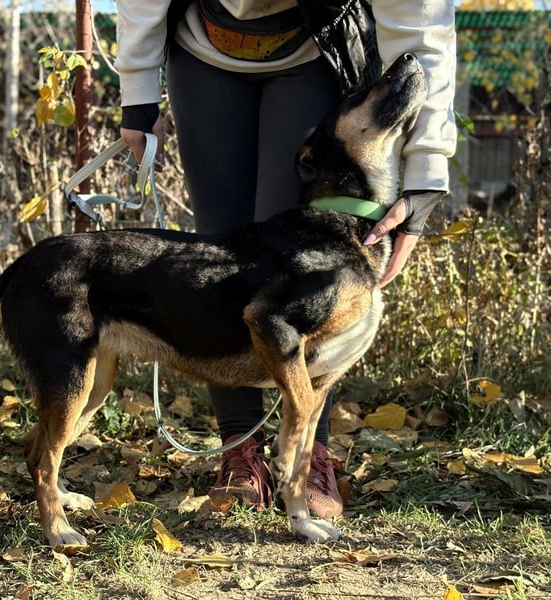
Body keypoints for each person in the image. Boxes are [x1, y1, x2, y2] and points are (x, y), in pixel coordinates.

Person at [114, 0, 457, 516]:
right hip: (205, 47)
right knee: (220, 259)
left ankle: (304, 458)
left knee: (302, 266)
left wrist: (428, 164)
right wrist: (138, 87)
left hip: (315, 45)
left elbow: (419, 15)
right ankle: (239, 452)